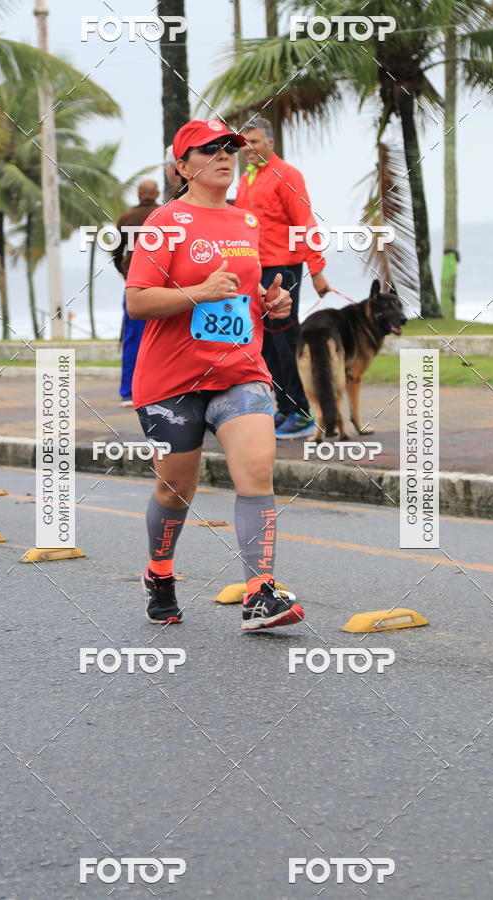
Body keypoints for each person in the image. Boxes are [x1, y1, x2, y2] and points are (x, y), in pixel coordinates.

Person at [125, 119, 305, 632]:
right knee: (175, 490)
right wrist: (197, 294)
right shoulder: (164, 222)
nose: (226, 155)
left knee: (257, 473)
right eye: (210, 149)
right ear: (183, 167)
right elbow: (137, 302)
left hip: (240, 369)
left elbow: (245, 293)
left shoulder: (247, 221)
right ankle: (160, 573)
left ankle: (259, 593)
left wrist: (271, 304)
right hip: (172, 380)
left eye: (230, 147)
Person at [234, 116, 332, 438]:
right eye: (244, 143)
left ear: (270, 142)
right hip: (254, 269)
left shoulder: (287, 175)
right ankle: (285, 407)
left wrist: (317, 270)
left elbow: (305, 222)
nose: (248, 148)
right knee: (264, 344)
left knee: (285, 340)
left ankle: (302, 413)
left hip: (283, 268)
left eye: (254, 141)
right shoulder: (246, 179)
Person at [113, 178, 160, 406]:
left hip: (135, 284)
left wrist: (125, 273)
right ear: (156, 193)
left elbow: (116, 251)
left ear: (139, 194)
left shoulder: (126, 218)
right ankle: (158, 389)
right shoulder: (164, 214)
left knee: (132, 338)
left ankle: (128, 392)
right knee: (163, 337)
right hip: (162, 285)